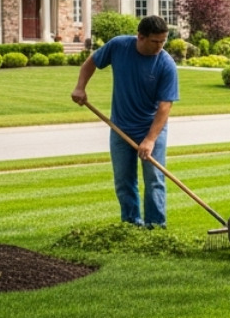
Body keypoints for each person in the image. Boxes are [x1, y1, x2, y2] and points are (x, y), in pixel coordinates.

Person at [70, 15, 180, 227]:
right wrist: (80, 87)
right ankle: (131, 224)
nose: (160, 46)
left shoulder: (166, 64)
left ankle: (155, 226)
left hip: (151, 129)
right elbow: (91, 62)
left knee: (154, 179)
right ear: (140, 36)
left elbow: (165, 106)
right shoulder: (119, 46)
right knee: (123, 181)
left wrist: (150, 139)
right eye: (155, 41)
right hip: (120, 127)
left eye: (163, 41)